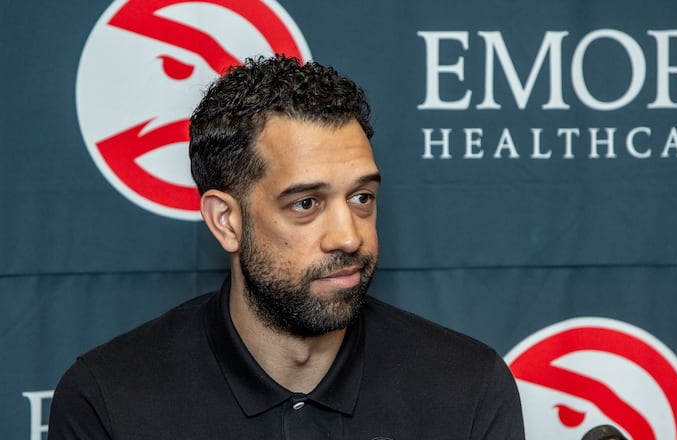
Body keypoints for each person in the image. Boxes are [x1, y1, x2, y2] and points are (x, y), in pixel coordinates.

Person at [49, 55, 525, 439]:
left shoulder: (468, 388)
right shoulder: (108, 400)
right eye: (306, 203)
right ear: (226, 220)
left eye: (362, 198)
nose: (348, 236)